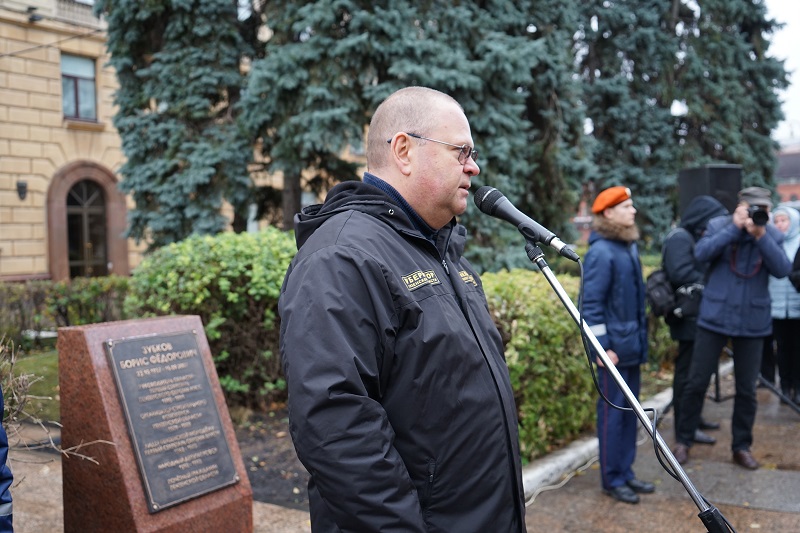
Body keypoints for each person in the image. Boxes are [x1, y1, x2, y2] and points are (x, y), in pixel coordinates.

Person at [278, 86, 526, 532]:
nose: (473, 166)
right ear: (404, 150)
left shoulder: (441, 251)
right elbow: (336, 427)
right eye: (461, 151)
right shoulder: (341, 258)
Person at [672, 187, 792, 470]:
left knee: (747, 389)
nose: (758, 213)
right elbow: (701, 254)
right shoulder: (719, 225)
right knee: (696, 381)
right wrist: (734, 229)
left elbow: (782, 269)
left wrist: (760, 236)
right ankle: (683, 440)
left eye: (764, 208)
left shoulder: (771, 233)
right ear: (740, 207)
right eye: (753, 208)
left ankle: (741, 446)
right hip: (715, 317)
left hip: (752, 322)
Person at [582, 186, 654, 505]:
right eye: (626, 206)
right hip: (612, 354)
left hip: (629, 349)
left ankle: (625, 471)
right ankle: (612, 479)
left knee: (629, 415)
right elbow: (591, 305)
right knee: (613, 417)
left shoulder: (627, 246)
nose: (633, 210)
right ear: (608, 213)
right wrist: (602, 348)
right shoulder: (602, 252)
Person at [661, 195, 728, 446]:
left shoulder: (690, 237)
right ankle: (684, 426)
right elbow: (679, 273)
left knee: (696, 373)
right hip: (687, 317)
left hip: (696, 315)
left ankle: (694, 419)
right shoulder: (680, 238)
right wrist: (710, 279)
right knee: (687, 374)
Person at [767, 205, 800, 404]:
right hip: (777, 306)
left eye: (784, 220)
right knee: (782, 348)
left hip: (797, 306)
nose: (780, 225)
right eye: (777, 221)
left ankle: (798, 386)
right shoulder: (771, 243)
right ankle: (785, 387)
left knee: (798, 348)